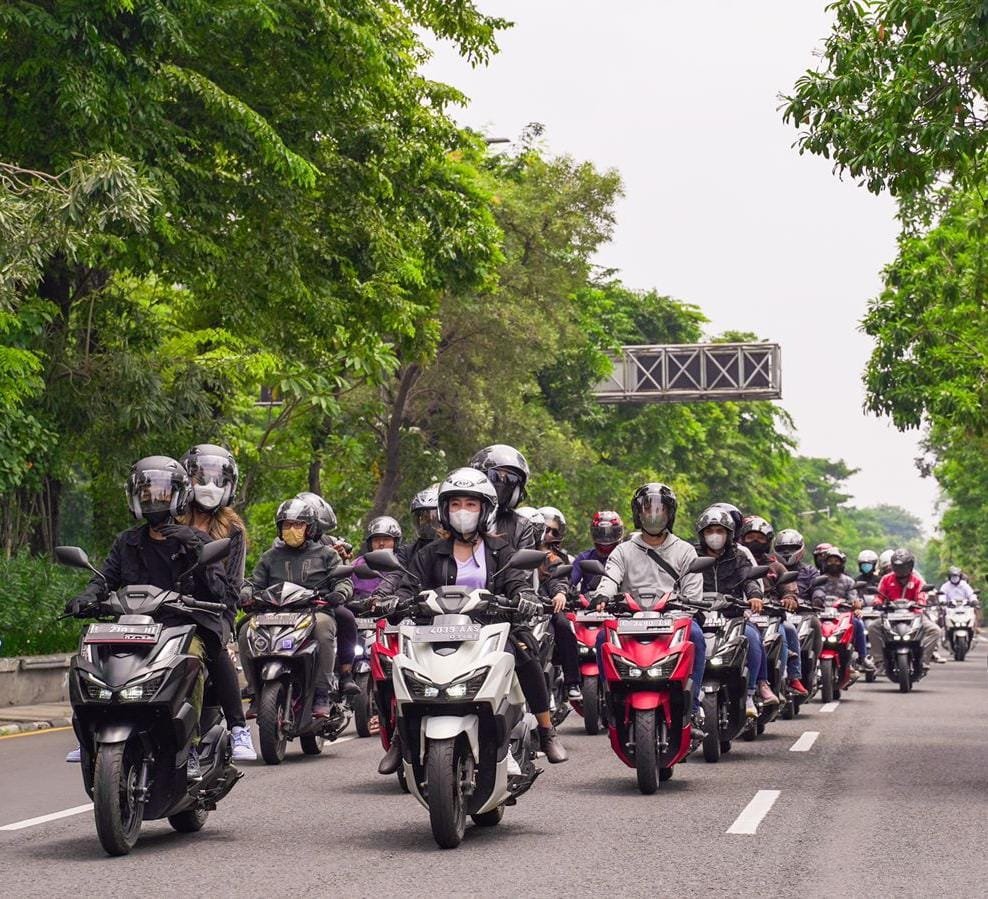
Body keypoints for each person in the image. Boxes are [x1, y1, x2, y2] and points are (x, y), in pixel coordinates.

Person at [63, 456, 237, 777]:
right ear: (134, 497)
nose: (153, 499)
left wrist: (193, 545)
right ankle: (90, 733)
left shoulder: (197, 541)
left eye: (161, 493)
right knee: (91, 658)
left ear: (179, 496)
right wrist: (87, 597)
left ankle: (191, 746)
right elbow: (105, 579)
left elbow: (218, 591)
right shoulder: (127, 541)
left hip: (181, 629)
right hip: (133, 628)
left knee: (192, 660)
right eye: (146, 493)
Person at [392, 467, 568, 763]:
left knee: (526, 657)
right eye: (456, 504)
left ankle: (546, 730)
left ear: (485, 509)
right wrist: (393, 601)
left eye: (470, 504)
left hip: (492, 628)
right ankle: (400, 739)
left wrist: (524, 596)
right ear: (445, 509)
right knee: (401, 666)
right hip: (436, 631)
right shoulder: (430, 553)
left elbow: (516, 581)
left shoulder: (500, 550)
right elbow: (408, 585)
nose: (463, 511)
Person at [590, 483, 707, 725]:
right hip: (629, 621)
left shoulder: (685, 551)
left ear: (670, 513)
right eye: (647, 509)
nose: (653, 514)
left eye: (660, 509)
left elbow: (693, 593)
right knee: (602, 639)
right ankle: (611, 703)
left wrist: (687, 606)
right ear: (638, 513)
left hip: (672, 620)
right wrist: (603, 596)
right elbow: (610, 578)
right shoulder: (623, 551)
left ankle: (693, 707)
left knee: (696, 636)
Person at [240, 498, 353, 717]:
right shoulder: (269, 557)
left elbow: (343, 581)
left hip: (314, 612)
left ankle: (322, 691)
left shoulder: (327, 554)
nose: (292, 529)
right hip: (273, 614)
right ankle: (254, 691)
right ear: (279, 528)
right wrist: (246, 594)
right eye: (287, 525)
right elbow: (254, 583)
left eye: (298, 525)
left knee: (323, 628)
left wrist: (339, 593)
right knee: (245, 631)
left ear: (309, 528)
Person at [177, 444, 255, 760]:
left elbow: (232, 587)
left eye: (217, 479)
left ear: (229, 486)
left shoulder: (233, 530)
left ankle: (238, 728)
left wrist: (223, 619)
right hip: (168, 608)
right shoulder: (171, 521)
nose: (209, 485)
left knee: (213, 649)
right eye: (201, 478)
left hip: (211, 611)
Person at [695, 507, 779, 716]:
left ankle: (750, 692)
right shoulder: (691, 555)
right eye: (710, 531)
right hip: (699, 616)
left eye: (720, 531)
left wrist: (755, 596)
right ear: (702, 534)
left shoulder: (739, 556)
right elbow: (679, 580)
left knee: (752, 637)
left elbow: (749, 578)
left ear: (729, 534)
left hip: (733, 616)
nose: (715, 535)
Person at [292, 492, 360, 697]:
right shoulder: (282, 544)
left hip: (321, 602)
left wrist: (344, 559)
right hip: (287, 604)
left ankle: (346, 673)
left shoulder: (329, 542)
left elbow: (344, 575)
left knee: (347, 617)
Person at [738, 516, 808, 697]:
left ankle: (793, 677)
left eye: (760, 538)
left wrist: (789, 598)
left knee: (787, 630)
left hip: (771, 614)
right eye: (750, 537)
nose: (755, 541)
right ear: (741, 538)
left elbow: (789, 589)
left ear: (768, 541)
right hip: (741, 613)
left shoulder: (776, 566)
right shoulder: (737, 562)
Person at [868, 548, 942, 670]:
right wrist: (877, 603)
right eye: (897, 566)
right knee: (872, 627)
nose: (900, 569)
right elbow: (879, 596)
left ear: (910, 566)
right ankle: (879, 661)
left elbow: (921, 596)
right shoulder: (886, 579)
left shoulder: (917, 580)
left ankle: (924, 660)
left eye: (903, 566)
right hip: (890, 615)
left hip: (913, 615)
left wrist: (920, 604)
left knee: (935, 631)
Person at [812, 548, 874, 674]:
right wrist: (816, 601)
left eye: (836, 561)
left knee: (858, 623)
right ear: (825, 563)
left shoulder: (848, 581)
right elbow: (815, 594)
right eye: (830, 561)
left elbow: (853, 597)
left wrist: (855, 605)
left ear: (842, 563)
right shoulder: (819, 579)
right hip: (821, 614)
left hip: (842, 615)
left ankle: (863, 657)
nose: (833, 563)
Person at [468, 444, 536, 551]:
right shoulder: (453, 514)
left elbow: (525, 562)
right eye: (494, 475)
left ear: (517, 490)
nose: (502, 483)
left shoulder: (521, 527)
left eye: (511, 478)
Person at [571, 511, 625, 595]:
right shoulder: (584, 558)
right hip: (588, 602)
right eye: (600, 533)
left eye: (611, 534)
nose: (606, 539)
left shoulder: (625, 557)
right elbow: (570, 580)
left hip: (622, 601)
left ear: (619, 533)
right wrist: (561, 592)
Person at [351, 516, 402, 600]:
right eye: (376, 540)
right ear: (370, 544)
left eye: (386, 539)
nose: (381, 543)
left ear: (395, 542)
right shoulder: (357, 564)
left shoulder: (403, 563)